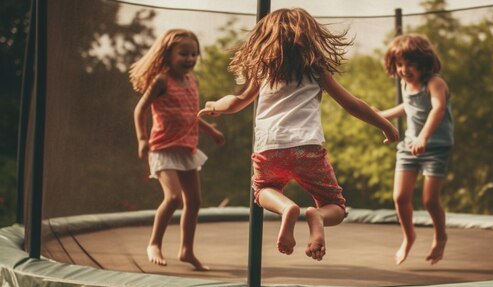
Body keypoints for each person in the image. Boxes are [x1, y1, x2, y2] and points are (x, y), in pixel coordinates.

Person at [198, 8, 399, 261]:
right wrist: (386, 125)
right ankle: (318, 217)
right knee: (335, 206)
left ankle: (286, 208)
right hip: (307, 148)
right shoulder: (316, 71)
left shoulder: (263, 72)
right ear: (309, 39)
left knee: (262, 190)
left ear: (266, 39)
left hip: (269, 149)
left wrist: (216, 105)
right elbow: (352, 104)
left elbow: (237, 102)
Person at [129, 29, 225, 270]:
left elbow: (190, 114)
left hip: (186, 148)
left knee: (194, 201)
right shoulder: (162, 80)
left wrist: (210, 130)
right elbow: (140, 110)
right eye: (183, 53)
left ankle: (186, 251)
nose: (190, 59)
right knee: (173, 198)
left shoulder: (193, 81)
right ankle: (154, 244)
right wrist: (142, 139)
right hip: (162, 148)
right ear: (168, 54)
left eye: (194, 54)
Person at [377, 33, 454, 265]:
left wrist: (423, 137)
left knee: (430, 200)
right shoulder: (405, 84)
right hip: (410, 145)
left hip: (436, 147)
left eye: (409, 64)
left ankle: (440, 236)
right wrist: (381, 115)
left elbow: (437, 109)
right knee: (400, 197)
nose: (404, 69)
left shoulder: (435, 83)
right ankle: (409, 236)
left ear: (423, 62)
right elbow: (407, 107)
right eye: (399, 64)